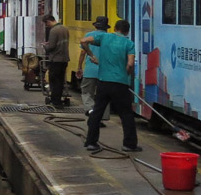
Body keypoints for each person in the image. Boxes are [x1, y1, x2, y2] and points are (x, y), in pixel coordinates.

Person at [79, 18, 139, 152]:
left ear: (114, 29)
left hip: (103, 81)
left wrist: (91, 55)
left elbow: (83, 41)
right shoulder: (129, 43)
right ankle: (129, 145)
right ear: (127, 31)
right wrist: (127, 74)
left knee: (97, 112)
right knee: (126, 114)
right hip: (120, 83)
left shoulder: (104, 37)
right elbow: (130, 64)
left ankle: (91, 142)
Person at [77, 16, 111, 125]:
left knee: (87, 92)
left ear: (96, 26)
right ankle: (102, 117)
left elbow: (83, 52)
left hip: (90, 70)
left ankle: (91, 111)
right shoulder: (109, 37)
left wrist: (79, 67)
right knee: (103, 95)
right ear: (106, 27)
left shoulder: (89, 36)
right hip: (105, 71)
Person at [42, 14, 70, 107]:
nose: (47, 26)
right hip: (64, 58)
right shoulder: (65, 28)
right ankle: (58, 100)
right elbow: (59, 43)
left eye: (46, 24)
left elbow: (52, 46)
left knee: (54, 81)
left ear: (49, 21)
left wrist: (45, 46)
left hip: (55, 59)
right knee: (61, 81)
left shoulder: (54, 30)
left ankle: (55, 101)